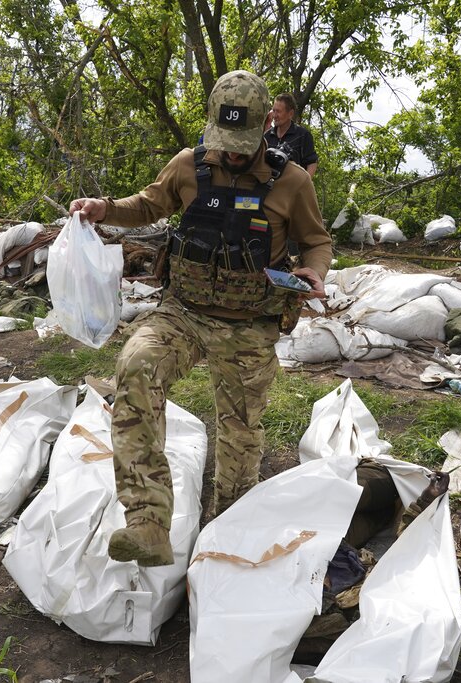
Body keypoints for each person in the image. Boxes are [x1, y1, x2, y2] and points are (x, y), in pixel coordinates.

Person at [69, 70, 333, 567]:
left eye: (242, 145)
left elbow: (317, 240)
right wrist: (104, 208)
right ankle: (147, 522)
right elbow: (148, 204)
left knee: (240, 433)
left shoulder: (292, 181)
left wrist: (313, 271)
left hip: (250, 321)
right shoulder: (188, 166)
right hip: (183, 312)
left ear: (263, 132)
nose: (231, 154)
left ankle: (226, 534)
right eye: (224, 143)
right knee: (136, 366)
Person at [264, 93, 318, 177]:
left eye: (278, 111)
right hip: (268, 187)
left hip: (293, 187)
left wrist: (303, 185)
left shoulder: (303, 135)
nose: (274, 115)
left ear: (290, 114)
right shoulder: (267, 136)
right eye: (273, 110)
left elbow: (312, 163)